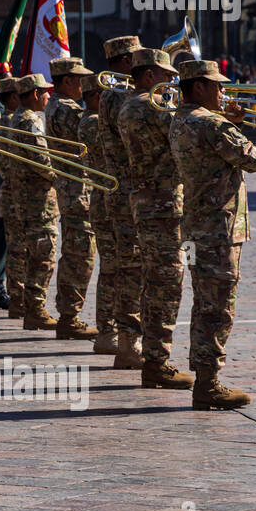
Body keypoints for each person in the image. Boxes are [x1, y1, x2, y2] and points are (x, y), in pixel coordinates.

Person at [168, 59, 256, 409]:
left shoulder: (181, 119)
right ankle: (208, 383)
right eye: (217, 86)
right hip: (218, 230)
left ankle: (204, 377)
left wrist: (229, 121)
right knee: (219, 307)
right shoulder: (211, 124)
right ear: (198, 87)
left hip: (194, 227)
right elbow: (253, 158)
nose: (224, 92)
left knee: (203, 303)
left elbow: (214, 152)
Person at [119, 48, 193, 389]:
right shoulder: (151, 106)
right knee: (166, 284)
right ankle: (157, 361)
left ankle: (153, 356)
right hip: (162, 205)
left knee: (154, 281)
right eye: (166, 75)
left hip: (149, 203)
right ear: (148, 76)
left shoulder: (130, 106)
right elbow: (188, 131)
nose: (172, 81)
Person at [96, 35, 144, 369]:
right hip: (129, 195)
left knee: (122, 267)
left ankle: (121, 338)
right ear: (127, 62)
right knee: (131, 269)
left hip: (122, 193)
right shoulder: (118, 97)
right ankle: (127, 344)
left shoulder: (114, 95)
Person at [45, 57, 98, 340]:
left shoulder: (57, 105)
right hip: (77, 191)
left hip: (72, 187)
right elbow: (93, 135)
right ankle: (69, 315)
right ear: (67, 81)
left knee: (76, 253)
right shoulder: (66, 109)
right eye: (79, 80)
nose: (83, 86)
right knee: (80, 255)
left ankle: (69, 312)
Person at [11, 73, 64, 333]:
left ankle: (32, 306)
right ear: (34, 94)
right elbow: (41, 160)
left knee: (34, 253)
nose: (48, 97)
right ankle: (35, 309)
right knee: (43, 255)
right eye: (45, 92)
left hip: (26, 197)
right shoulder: (29, 121)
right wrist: (61, 174)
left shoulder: (15, 118)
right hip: (39, 199)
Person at [77, 74, 117, 355]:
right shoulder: (93, 122)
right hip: (107, 202)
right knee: (114, 270)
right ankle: (109, 329)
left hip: (106, 199)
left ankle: (110, 329)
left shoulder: (96, 120)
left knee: (114, 268)